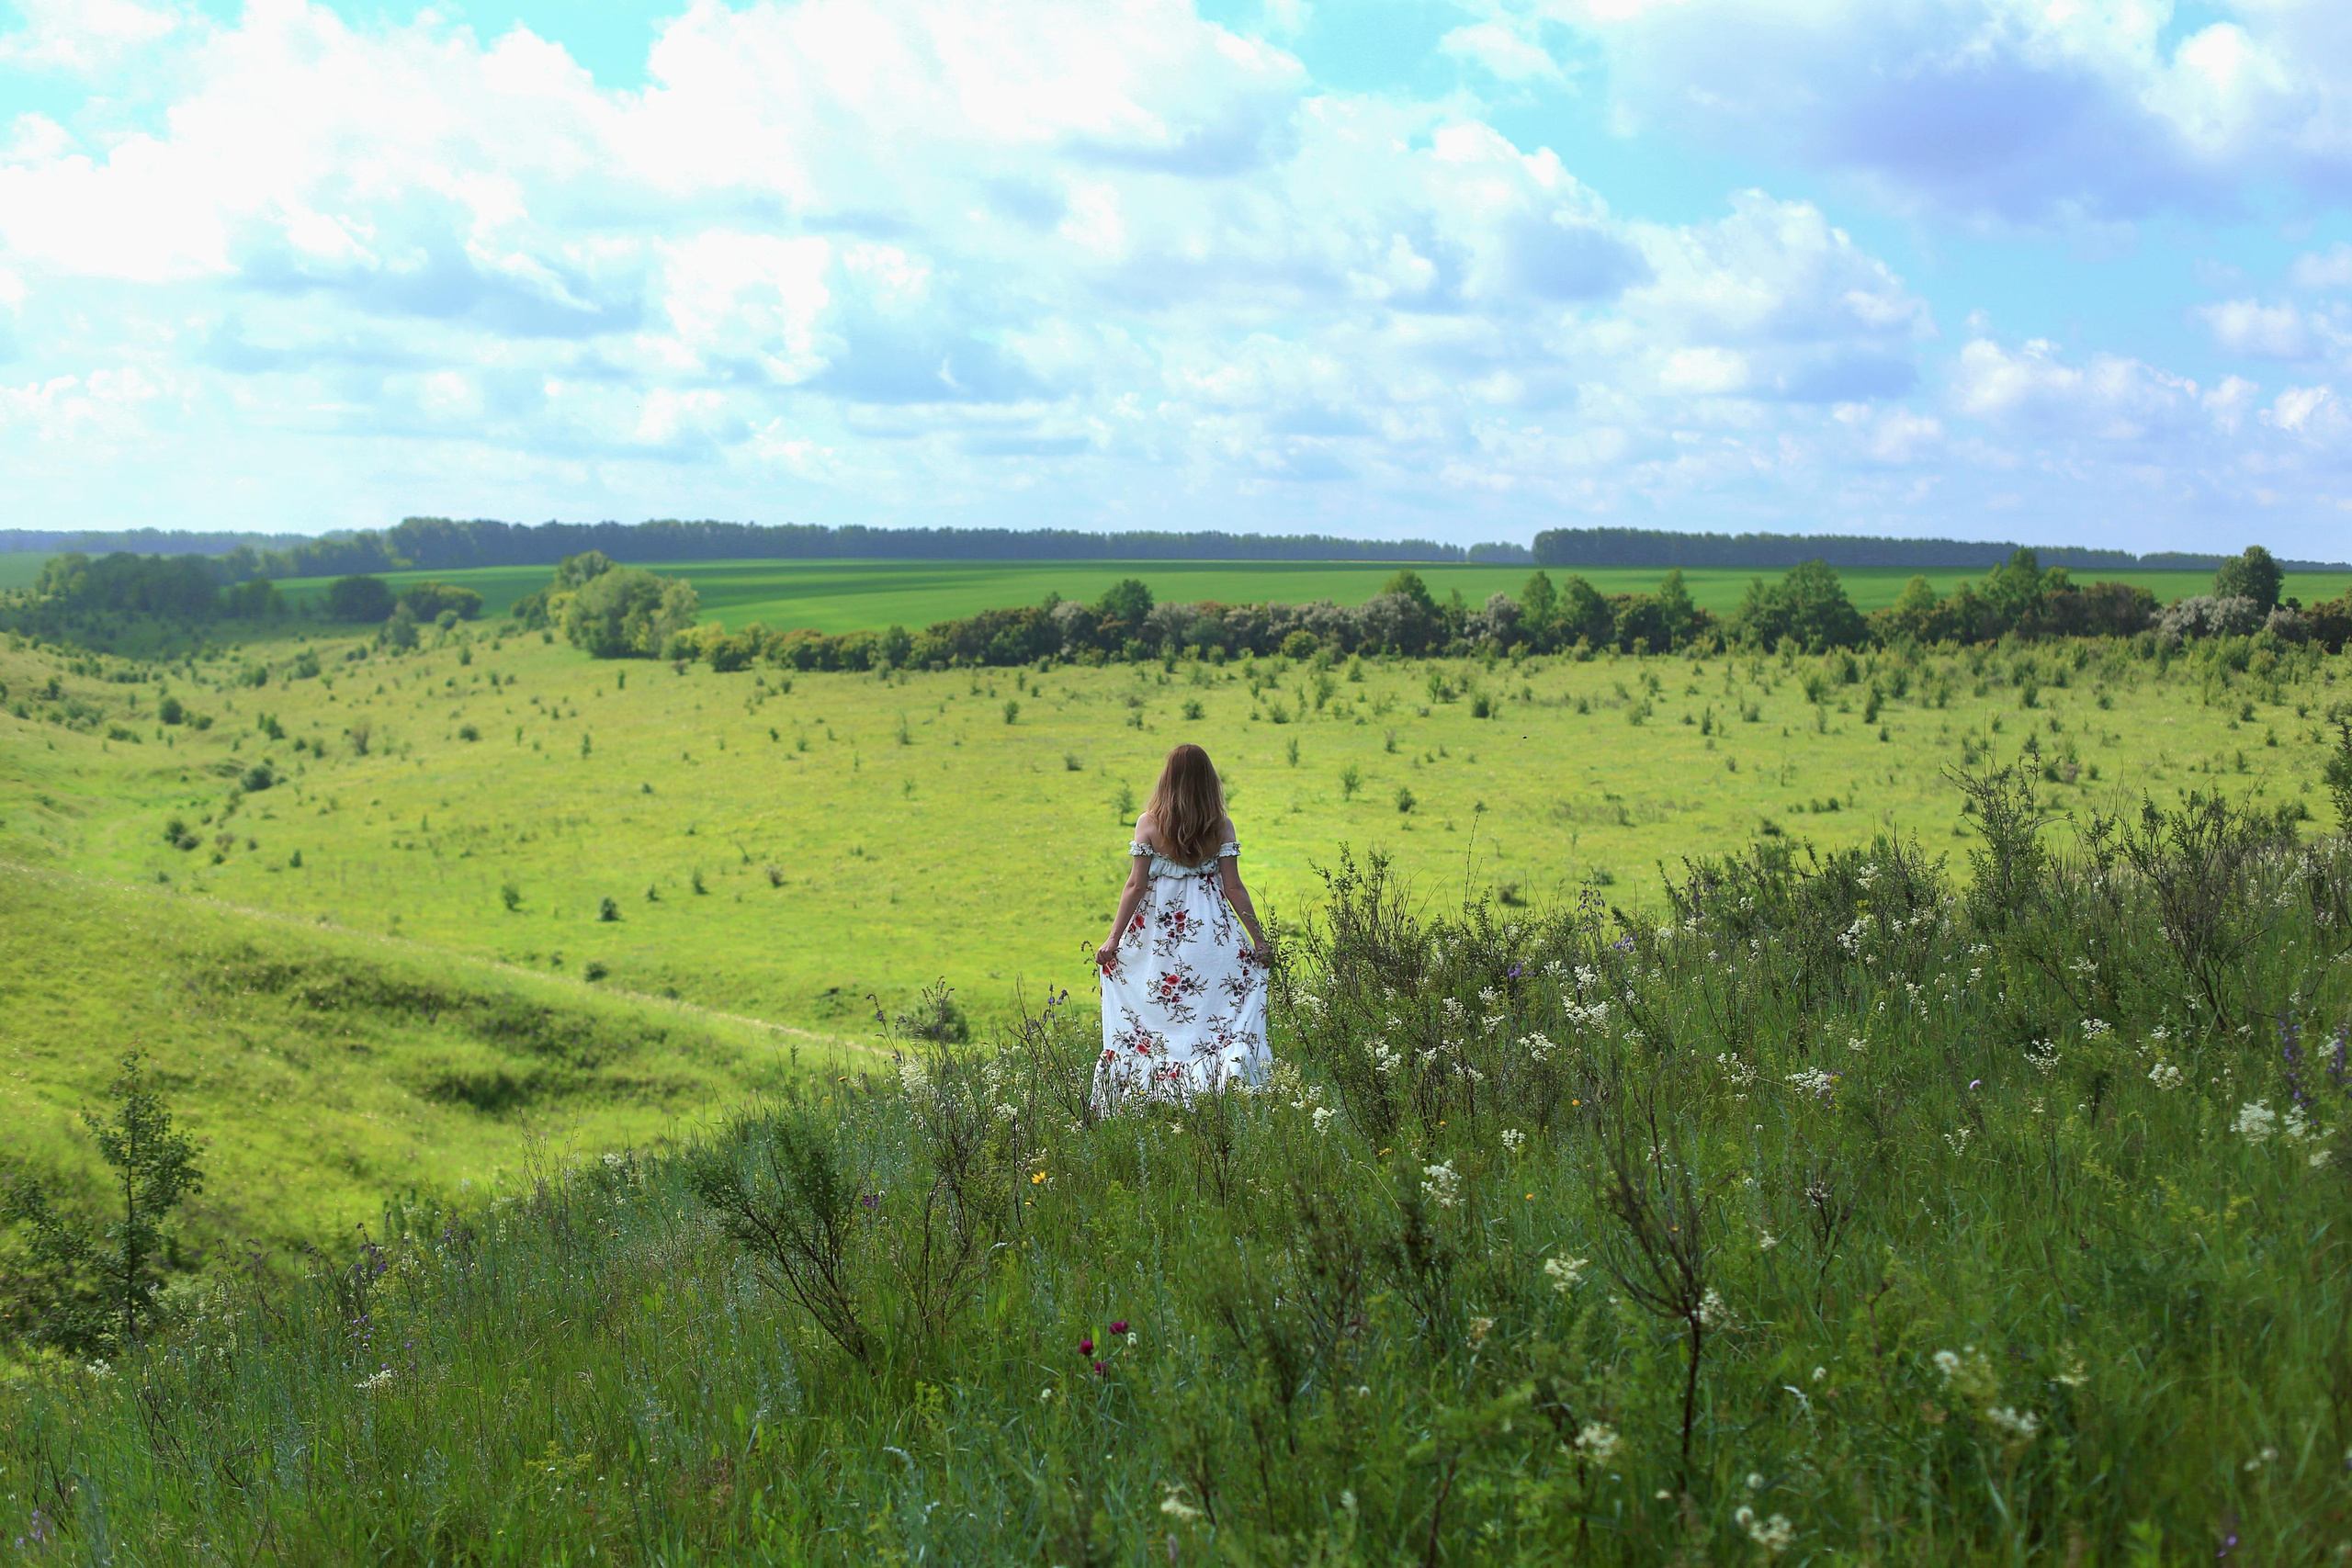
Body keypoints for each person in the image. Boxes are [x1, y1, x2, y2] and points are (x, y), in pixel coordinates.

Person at [1091, 743, 1272, 1106]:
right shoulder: (1220, 826)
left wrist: (1113, 941)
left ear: (1167, 779)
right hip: (1211, 934)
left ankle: (1154, 1095)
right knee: (1211, 1014)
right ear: (1209, 782)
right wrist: (1260, 941)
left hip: (1158, 935)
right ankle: (1217, 1091)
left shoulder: (1149, 824)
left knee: (1160, 1013)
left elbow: (1136, 886)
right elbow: (1233, 887)